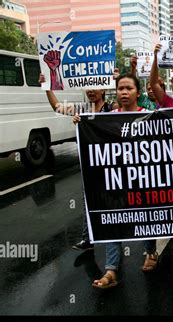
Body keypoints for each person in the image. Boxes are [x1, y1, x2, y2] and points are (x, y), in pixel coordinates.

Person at [73, 73, 157, 288]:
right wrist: (81, 124)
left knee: (147, 217)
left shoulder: (149, 115)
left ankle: (151, 252)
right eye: (120, 88)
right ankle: (111, 270)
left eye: (129, 88)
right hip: (115, 181)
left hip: (142, 179)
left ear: (138, 92)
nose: (124, 92)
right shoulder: (106, 118)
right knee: (113, 219)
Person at [39, 73, 112, 251]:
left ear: (103, 89)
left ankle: (117, 238)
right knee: (88, 200)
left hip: (110, 166)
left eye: (94, 87)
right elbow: (58, 107)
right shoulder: (82, 108)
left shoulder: (112, 109)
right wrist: (47, 86)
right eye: (87, 87)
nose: (90, 91)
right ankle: (88, 239)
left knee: (112, 202)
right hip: (89, 165)